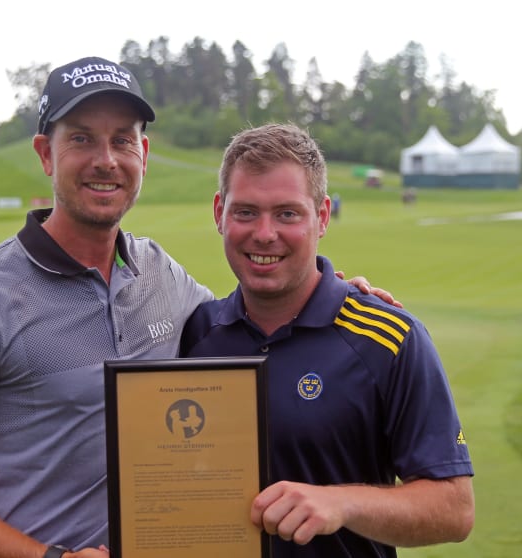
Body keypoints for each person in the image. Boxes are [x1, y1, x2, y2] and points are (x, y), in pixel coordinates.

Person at [0, 57, 396, 558]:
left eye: (122, 140)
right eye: (81, 138)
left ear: (143, 154)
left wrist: (333, 295)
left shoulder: (158, 272)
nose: (105, 159)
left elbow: (245, 321)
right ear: (45, 154)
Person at [180, 123, 474, 557]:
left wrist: (342, 502)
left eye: (287, 213)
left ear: (321, 216)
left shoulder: (390, 338)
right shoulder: (195, 335)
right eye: (245, 212)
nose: (264, 234)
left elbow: (454, 509)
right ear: (219, 212)